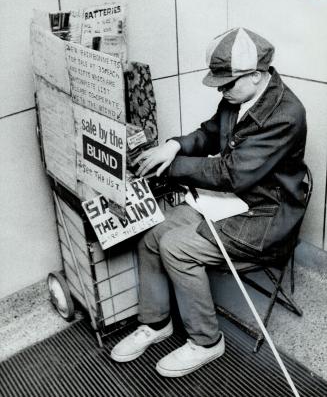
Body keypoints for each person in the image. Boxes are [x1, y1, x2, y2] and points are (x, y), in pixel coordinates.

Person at [110, 28, 308, 377]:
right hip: (235, 201)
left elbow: (231, 174)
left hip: (266, 217)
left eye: (226, 83)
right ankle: (156, 324)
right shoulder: (239, 96)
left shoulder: (286, 114)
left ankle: (206, 342)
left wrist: (173, 168)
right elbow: (210, 133)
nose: (221, 89)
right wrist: (174, 144)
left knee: (176, 246)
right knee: (153, 231)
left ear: (257, 76)